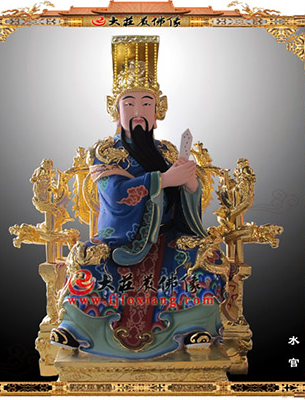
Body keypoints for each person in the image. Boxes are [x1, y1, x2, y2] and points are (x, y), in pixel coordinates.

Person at [50, 36, 229, 359]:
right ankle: (77, 329)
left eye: (146, 104)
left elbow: (183, 203)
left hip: (167, 238)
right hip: (120, 238)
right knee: (89, 261)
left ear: (157, 112)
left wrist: (189, 186)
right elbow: (116, 194)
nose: (138, 112)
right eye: (129, 103)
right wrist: (164, 180)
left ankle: (192, 327)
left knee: (205, 258)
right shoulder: (105, 152)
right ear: (116, 110)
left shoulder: (167, 152)